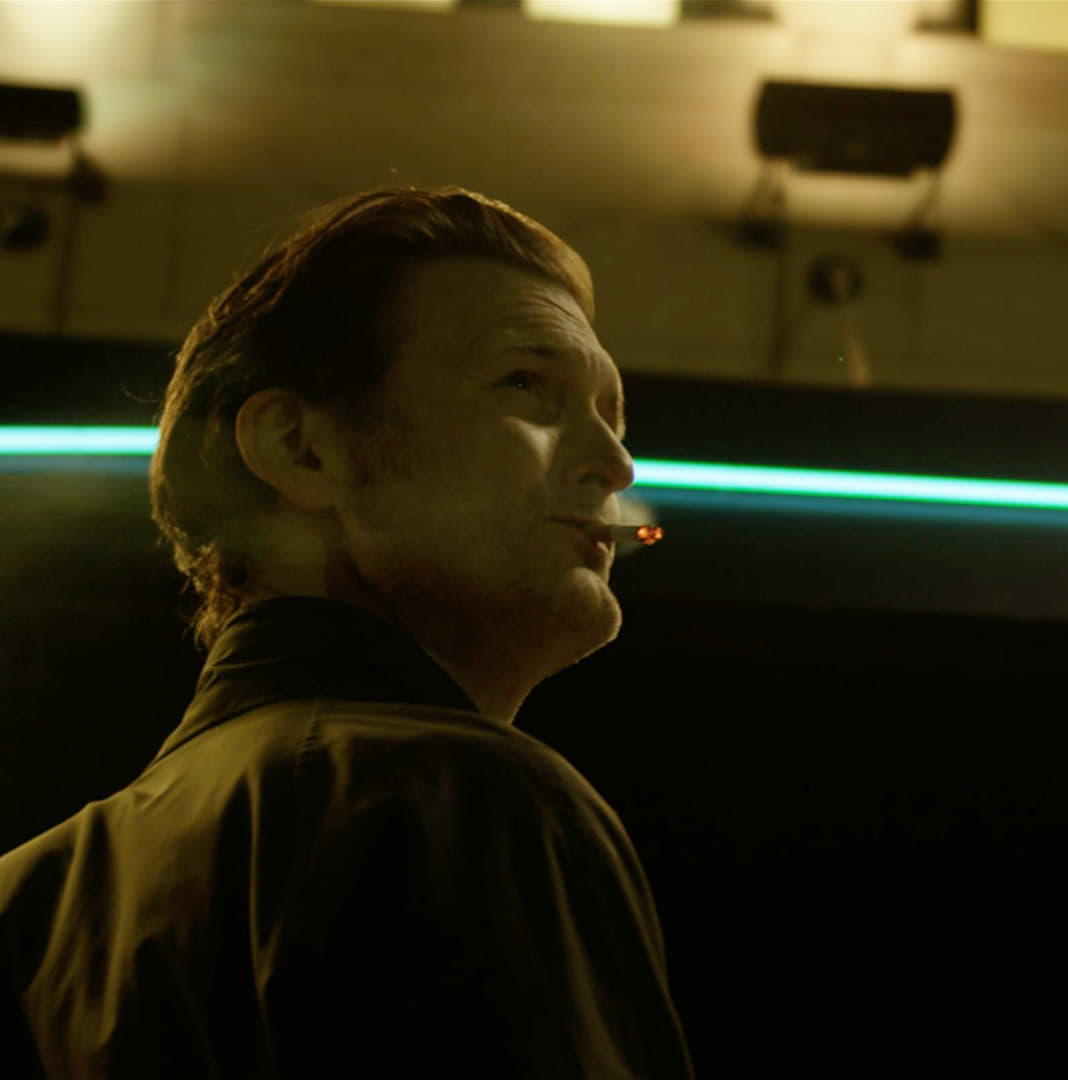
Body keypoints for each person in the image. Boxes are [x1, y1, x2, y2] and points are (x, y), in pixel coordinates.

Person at [0, 186, 697, 1078]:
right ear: (301, 449)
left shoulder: (29, 897)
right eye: (526, 384)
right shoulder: (456, 793)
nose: (616, 462)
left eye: (613, 416)